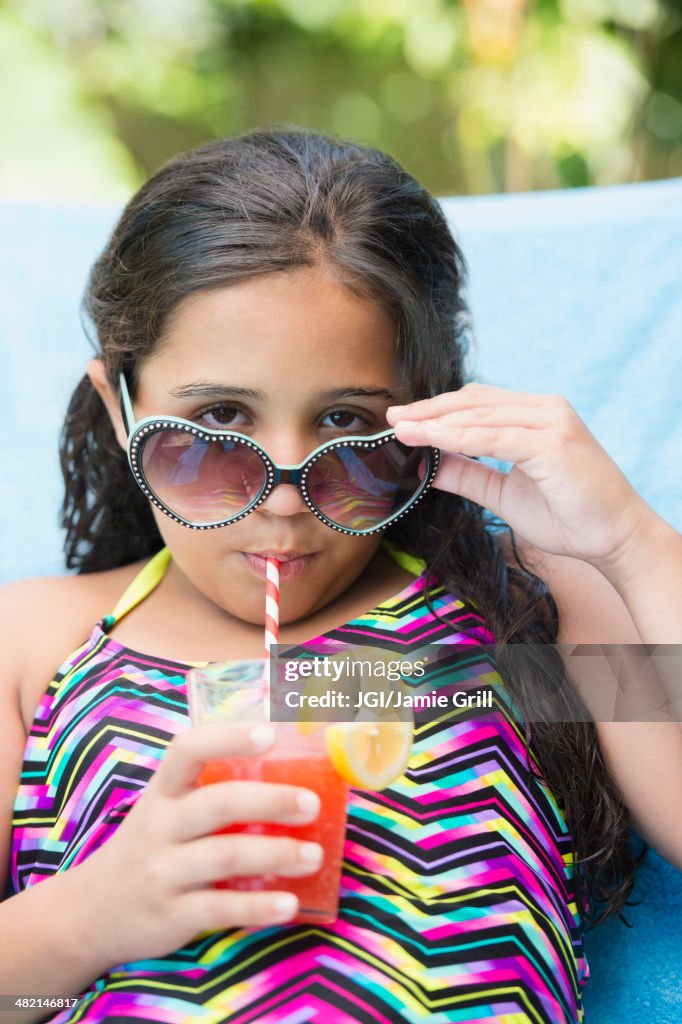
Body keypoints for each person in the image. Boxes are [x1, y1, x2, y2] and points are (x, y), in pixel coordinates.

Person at [1, 128, 680, 1024]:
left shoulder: (519, 622)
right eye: (219, 419)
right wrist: (91, 917)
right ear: (118, 407)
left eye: (346, 422)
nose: (285, 499)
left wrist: (631, 544)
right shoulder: (36, 647)